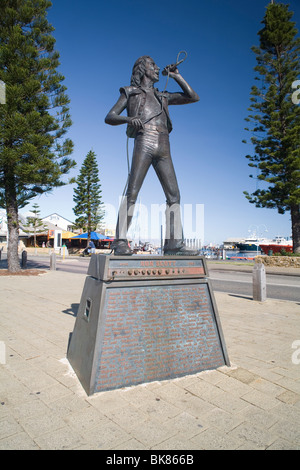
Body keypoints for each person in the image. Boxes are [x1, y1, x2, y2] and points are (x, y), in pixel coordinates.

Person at [105, 55, 200, 255]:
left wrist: (176, 76)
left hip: (164, 145)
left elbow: (192, 97)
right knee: (132, 192)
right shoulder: (130, 93)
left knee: (174, 195)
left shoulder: (163, 96)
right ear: (142, 69)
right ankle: (120, 241)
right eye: (153, 65)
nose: (157, 68)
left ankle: (174, 245)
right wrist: (129, 119)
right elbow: (110, 116)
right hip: (144, 141)